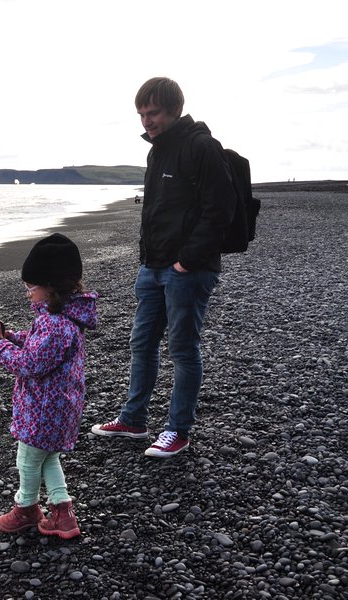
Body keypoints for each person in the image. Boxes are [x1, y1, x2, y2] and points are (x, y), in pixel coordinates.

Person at [91, 77, 235, 458]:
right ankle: (133, 420)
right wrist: (148, 258)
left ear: (174, 109)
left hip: (187, 269)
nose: (146, 121)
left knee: (183, 350)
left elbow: (221, 209)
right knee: (142, 344)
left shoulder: (201, 147)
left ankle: (178, 430)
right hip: (152, 267)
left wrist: (186, 260)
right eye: (141, 114)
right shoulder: (157, 152)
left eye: (152, 112)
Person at [0, 233, 97, 539]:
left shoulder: (56, 325)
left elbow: (30, 364)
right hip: (59, 409)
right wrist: (12, 336)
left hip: (44, 410)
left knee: (27, 460)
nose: (27, 294)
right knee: (48, 458)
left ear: (51, 287)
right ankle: (63, 513)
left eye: (31, 288)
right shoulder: (61, 317)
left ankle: (26, 509)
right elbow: (38, 347)